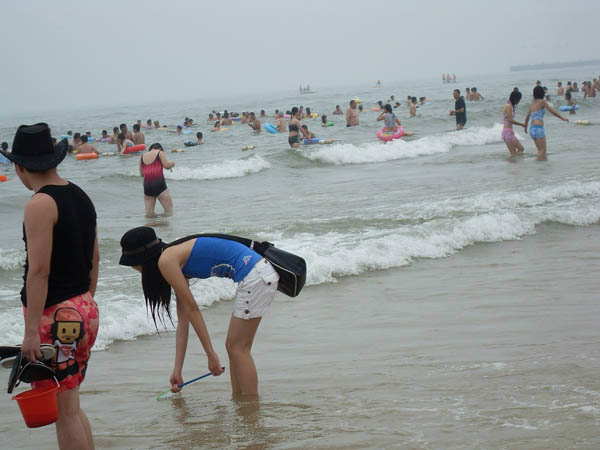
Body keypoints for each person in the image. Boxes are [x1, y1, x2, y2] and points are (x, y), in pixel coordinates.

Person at [0, 123, 99, 450]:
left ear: (19, 166)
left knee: (63, 412)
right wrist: (84, 305)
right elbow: (94, 259)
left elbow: (38, 272)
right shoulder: (80, 196)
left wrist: (30, 332)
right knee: (71, 406)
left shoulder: (39, 203)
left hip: (56, 315)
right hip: (83, 307)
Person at [118, 227, 281, 397]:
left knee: (238, 348)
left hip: (255, 276)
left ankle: (250, 409)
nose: (135, 269)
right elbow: (184, 319)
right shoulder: (173, 258)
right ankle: (240, 402)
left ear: (142, 260)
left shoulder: (167, 261)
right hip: (257, 274)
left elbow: (193, 309)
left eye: (132, 264)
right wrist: (177, 370)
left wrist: (211, 355)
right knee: (235, 348)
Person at [524, 85, 569, 157]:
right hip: (539, 128)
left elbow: (527, 116)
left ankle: (539, 166)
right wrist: (562, 118)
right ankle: (539, 167)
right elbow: (552, 111)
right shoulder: (542, 102)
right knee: (542, 151)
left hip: (532, 129)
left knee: (540, 151)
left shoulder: (532, 103)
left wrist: (525, 127)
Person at [139, 143, 174, 216]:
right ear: (160, 148)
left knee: (149, 214)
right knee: (169, 211)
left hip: (147, 186)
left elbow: (142, 174)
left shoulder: (142, 156)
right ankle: (165, 226)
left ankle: (151, 225)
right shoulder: (160, 153)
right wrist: (172, 164)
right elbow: (167, 166)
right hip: (159, 184)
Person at [502, 90, 526, 156]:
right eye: (519, 99)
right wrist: (522, 124)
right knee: (513, 153)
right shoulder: (508, 106)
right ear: (515, 99)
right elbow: (510, 120)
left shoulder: (511, 106)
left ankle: (514, 164)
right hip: (507, 132)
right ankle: (512, 164)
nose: (519, 101)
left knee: (521, 149)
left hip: (509, 131)